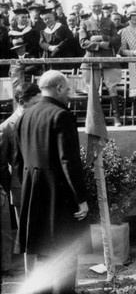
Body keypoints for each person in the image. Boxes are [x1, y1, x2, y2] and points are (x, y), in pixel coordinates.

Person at [14, 70, 90, 293]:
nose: (69, 94)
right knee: (66, 260)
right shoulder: (62, 115)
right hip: (60, 200)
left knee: (44, 259)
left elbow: (18, 163)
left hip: (34, 197)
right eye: (67, 89)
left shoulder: (24, 116)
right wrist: (82, 199)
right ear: (58, 88)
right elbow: (69, 162)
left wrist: (32, 189)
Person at [0, 83, 42, 275]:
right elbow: (2, 164)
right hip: (20, 188)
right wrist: (13, 188)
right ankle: (31, 278)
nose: (39, 106)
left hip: (43, 185)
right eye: (35, 103)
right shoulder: (6, 127)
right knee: (27, 236)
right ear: (21, 102)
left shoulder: (41, 120)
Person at [79, 0, 123, 127]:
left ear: (102, 6)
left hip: (108, 59)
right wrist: (98, 45)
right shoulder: (84, 23)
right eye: (94, 6)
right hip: (91, 60)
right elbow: (83, 42)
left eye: (98, 5)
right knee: (93, 89)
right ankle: (96, 119)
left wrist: (103, 38)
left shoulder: (109, 22)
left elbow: (116, 40)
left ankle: (116, 117)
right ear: (90, 7)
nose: (96, 8)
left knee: (112, 87)